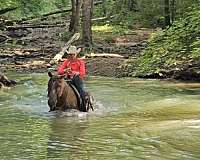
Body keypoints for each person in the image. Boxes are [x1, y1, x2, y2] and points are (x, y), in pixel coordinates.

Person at [57, 45, 86, 110]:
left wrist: (77, 73)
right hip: (67, 78)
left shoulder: (80, 62)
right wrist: (65, 70)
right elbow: (59, 71)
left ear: (76, 54)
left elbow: (83, 73)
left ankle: (84, 107)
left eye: (73, 54)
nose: (71, 56)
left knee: (82, 91)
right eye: (70, 54)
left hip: (77, 79)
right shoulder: (66, 62)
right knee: (56, 87)